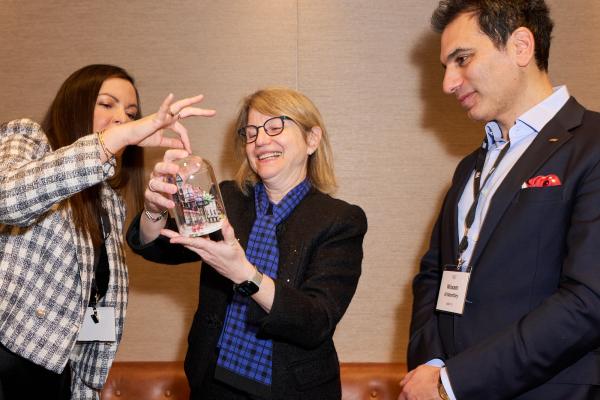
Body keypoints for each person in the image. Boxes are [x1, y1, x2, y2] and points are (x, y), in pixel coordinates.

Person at [400, 1, 600, 399]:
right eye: (446, 67)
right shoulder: (470, 166)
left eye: (462, 59)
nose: (448, 83)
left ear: (521, 46)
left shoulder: (592, 145)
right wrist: (433, 367)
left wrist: (454, 383)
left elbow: (588, 299)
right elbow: (433, 275)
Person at [126, 87, 367, 399]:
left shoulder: (339, 220)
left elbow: (316, 321)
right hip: (212, 383)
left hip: (289, 390)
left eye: (275, 126)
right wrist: (154, 209)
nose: (261, 141)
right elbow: (160, 246)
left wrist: (246, 274)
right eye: (251, 132)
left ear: (312, 139)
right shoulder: (228, 198)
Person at [0, 64, 216, 399]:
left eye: (130, 113)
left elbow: (93, 305)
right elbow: (7, 198)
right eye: (107, 104)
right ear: (76, 104)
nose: (122, 118)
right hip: (8, 361)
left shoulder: (109, 203)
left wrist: (85, 384)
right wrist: (116, 137)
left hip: (59, 377)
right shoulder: (28, 139)